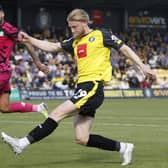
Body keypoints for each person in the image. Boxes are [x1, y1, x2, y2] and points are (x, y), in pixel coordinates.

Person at [1, 9, 156, 166]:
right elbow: (53, 47)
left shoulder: (101, 35)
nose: (72, 30)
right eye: (70, 27)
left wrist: (143, 67)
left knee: (57, 113)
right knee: (82, 138)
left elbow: (124, 48)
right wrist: (29, 39)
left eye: (74, 27)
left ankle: (21, 143)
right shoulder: (74, 41)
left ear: (84, 23)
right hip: (83, 88)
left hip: (93, 86)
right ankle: (124, 147)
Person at [0, 4, 49, 118]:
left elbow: (26, 41)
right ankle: (38, 107)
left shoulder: (8, 29)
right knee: (4, 107)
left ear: (2, 14)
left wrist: (37, 63)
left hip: (2, 72)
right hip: (4, 71)